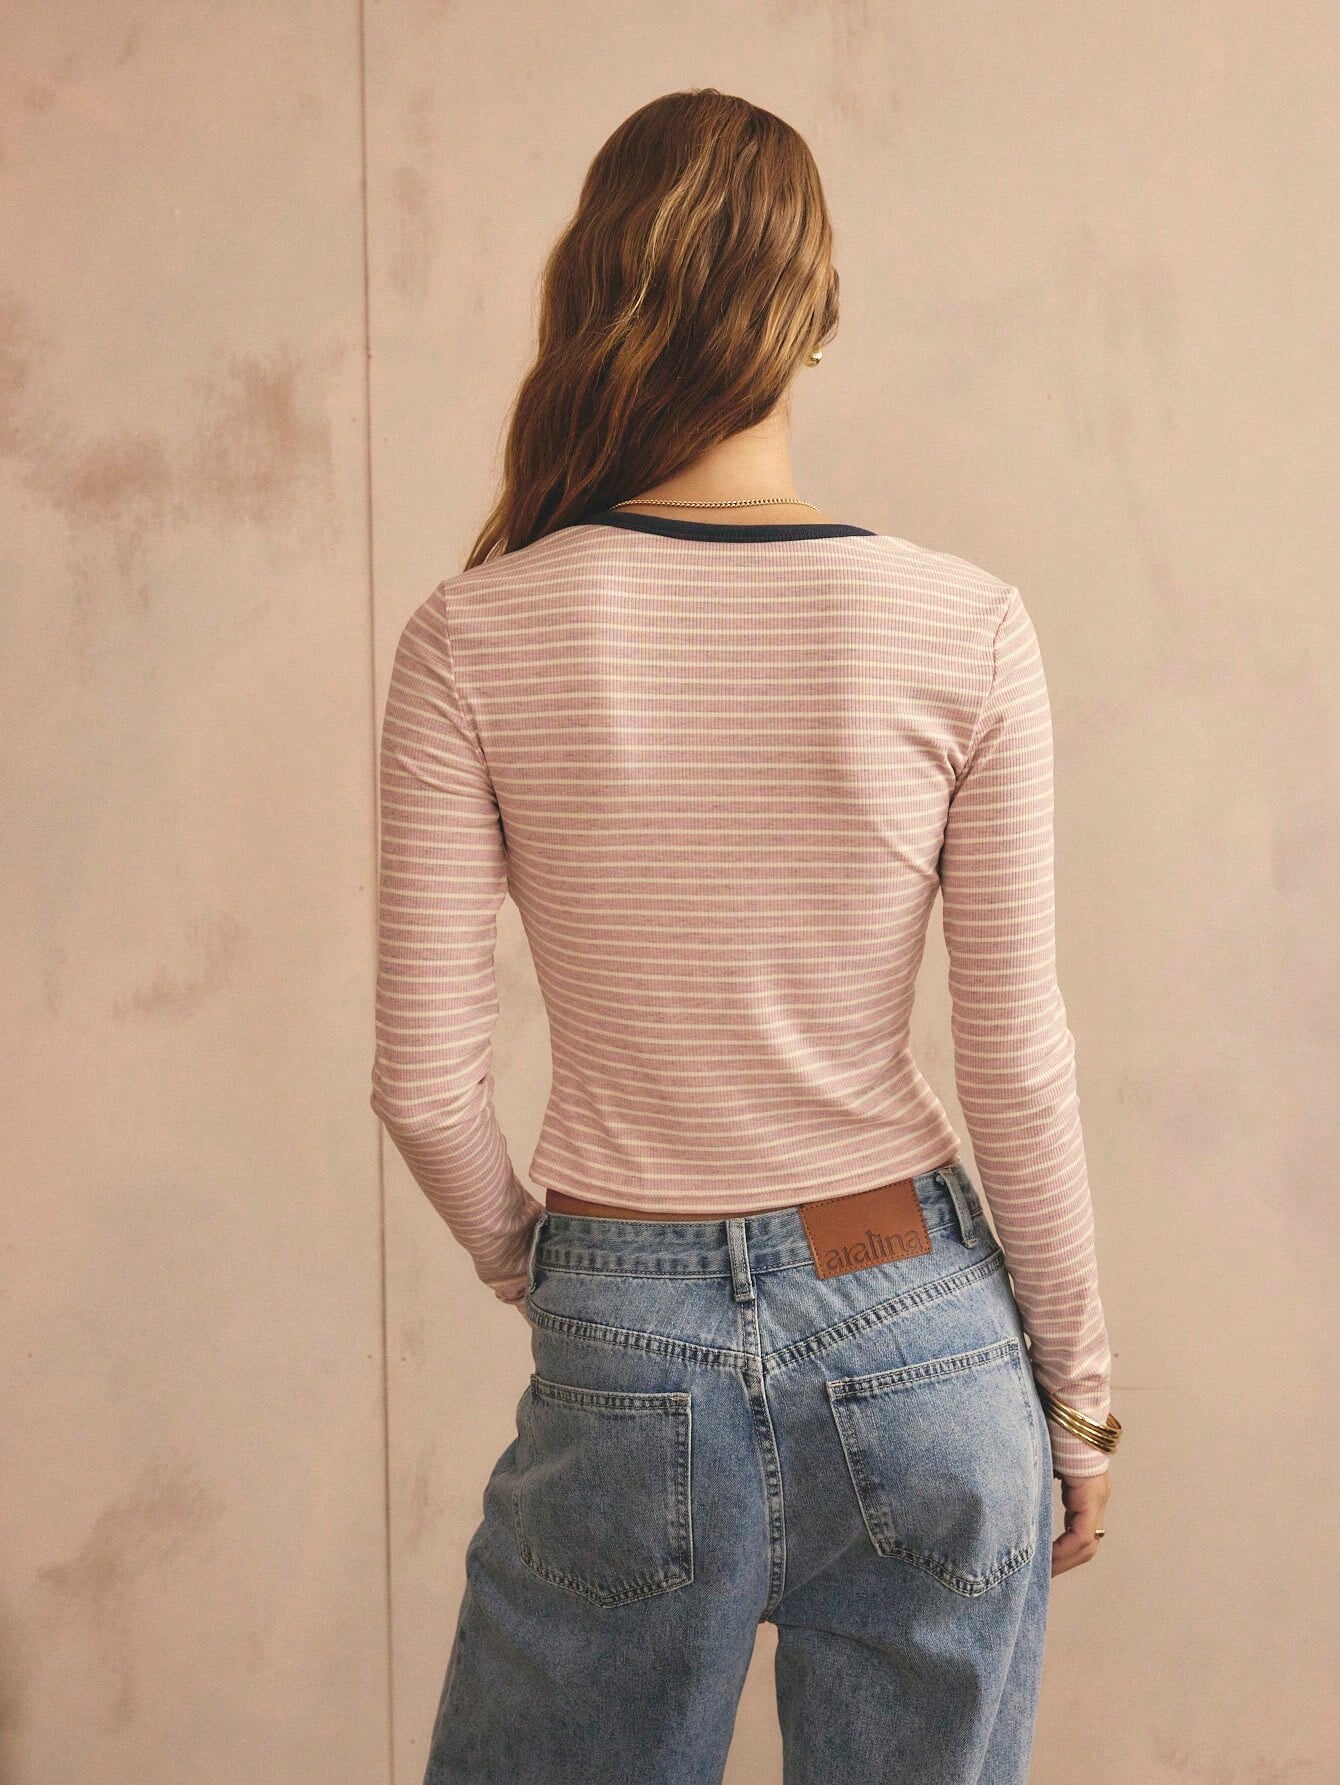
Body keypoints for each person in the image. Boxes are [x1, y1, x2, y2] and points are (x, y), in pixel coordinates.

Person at [371, 85, 1119, 1785]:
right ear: (816, 312)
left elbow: (423, 1085)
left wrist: (562, 1271)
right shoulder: (965, 627)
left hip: (626, 1334)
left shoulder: (473, 636)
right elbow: (1016, 1063)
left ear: (586, 294)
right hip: (920, 1311)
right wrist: (1079, 1395)